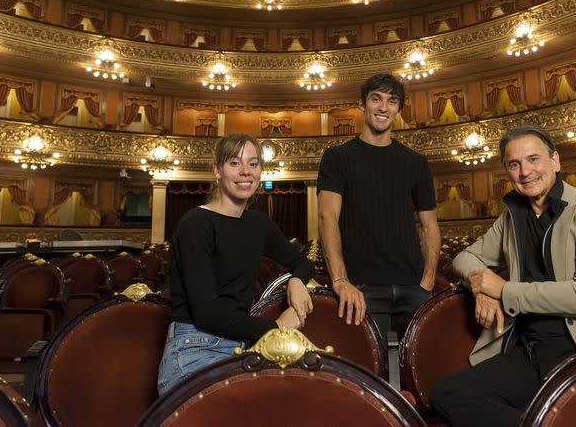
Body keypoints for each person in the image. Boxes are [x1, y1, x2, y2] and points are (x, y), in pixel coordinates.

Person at [431, 125, 576, 427]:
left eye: (533, 159)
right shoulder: (512, 215)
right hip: (528, 351)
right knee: (447, 393)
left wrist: (503, 291)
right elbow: (465, 258)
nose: (525, 171)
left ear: (555, 160)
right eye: (514, 164)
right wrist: (482, 285)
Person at [157, 133, 314, 395]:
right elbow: (208, 312)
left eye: (253, 164)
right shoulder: (195, 224)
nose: (245, 172)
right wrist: (277, 328)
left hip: (243, 344)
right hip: (195, 347)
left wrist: (297, 280)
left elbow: (301, 262)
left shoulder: (258, 224)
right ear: (216, 170)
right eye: (234, 163)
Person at [317, 73, 441, 346]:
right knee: (370, 371)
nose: (383, 107)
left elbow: (430, 225)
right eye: (376, 99)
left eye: (392, 101)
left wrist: (428, 281)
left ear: (398, 109)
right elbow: (328, 218)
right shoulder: (337, 158)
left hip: (413, 288)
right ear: (362, 104)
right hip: (361, 289)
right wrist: (340, 279)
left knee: (417, 370)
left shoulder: (416, 162)